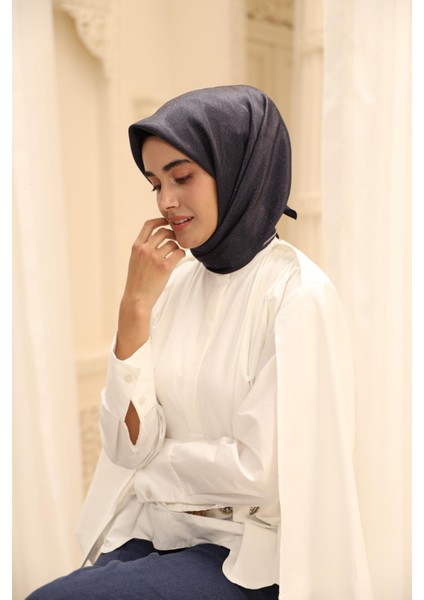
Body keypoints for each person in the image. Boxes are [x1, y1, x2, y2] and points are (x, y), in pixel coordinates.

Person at [27, 85, 373, 599]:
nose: (166, 201)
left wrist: (150, 470)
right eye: (155, 184)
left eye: (182, 176)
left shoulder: (298, 295)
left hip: (246, 554)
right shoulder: (172, 285)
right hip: (155, 533)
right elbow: (127, 447)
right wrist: (134, 307)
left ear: (239, 168)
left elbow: (260, 471)